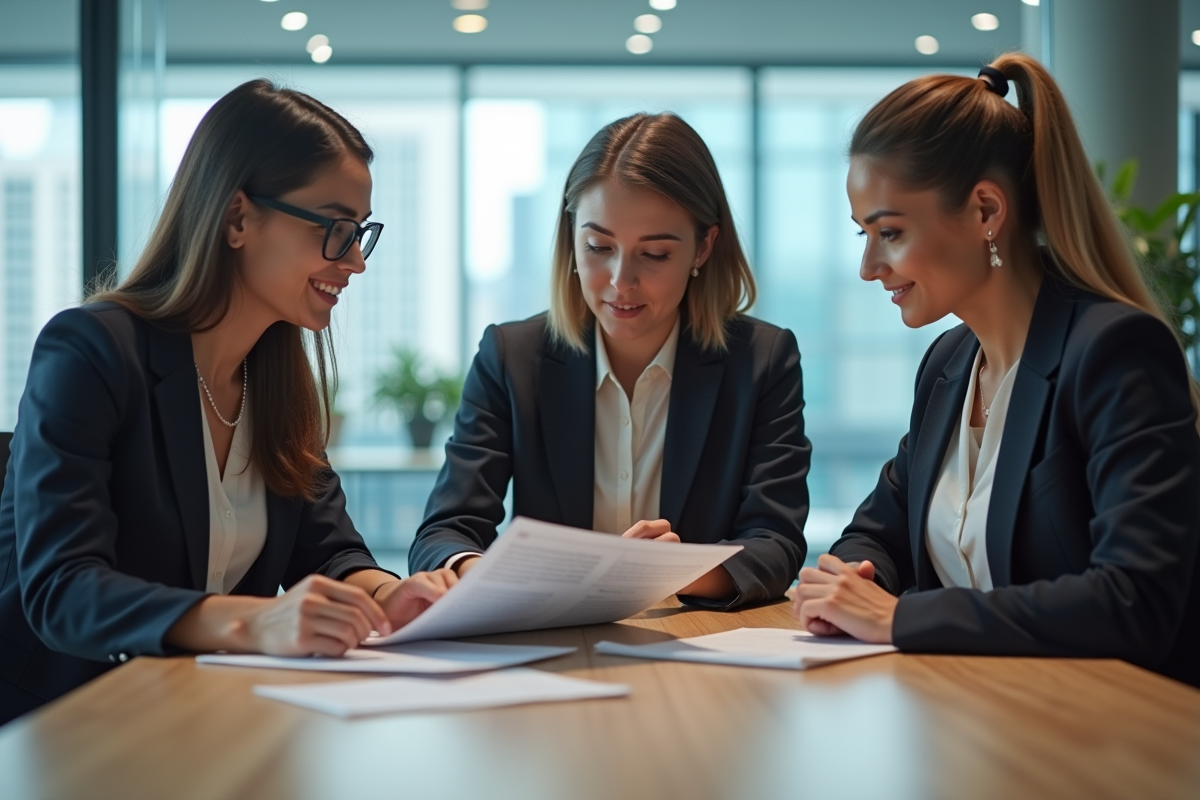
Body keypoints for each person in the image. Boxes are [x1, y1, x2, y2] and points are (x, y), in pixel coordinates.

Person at [0, 80, 457, 725]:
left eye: (360, 233)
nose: (354, 260)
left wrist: (390, 595)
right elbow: (62, 590)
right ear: (239, 217)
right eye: (335, 229)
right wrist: (258, 622)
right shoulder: (93, 351)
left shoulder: (276, 378)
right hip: (66, 727)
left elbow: (326, 552)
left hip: (202, 719)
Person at [794, 53, 1200, 685]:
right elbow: (881, 532)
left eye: (890, 233)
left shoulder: (1114, 352)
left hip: (1109, 740)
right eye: (862, 236)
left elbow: (1134, 601)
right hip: (973, 721)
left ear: (986, 212)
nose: (869, 267)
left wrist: (900, 619)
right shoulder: (949, 364)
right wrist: (847, 582)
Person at [409, 113, 810, 608]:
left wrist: (663, 574)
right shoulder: (512, 357)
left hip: (699, 640)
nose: (621, 281)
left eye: (656, 254)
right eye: (599, 247)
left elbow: (775, 543)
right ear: (571, 238)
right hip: (553, 638)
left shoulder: (762, 361)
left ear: (704, 246)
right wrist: (480, 573)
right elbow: (444, 532)